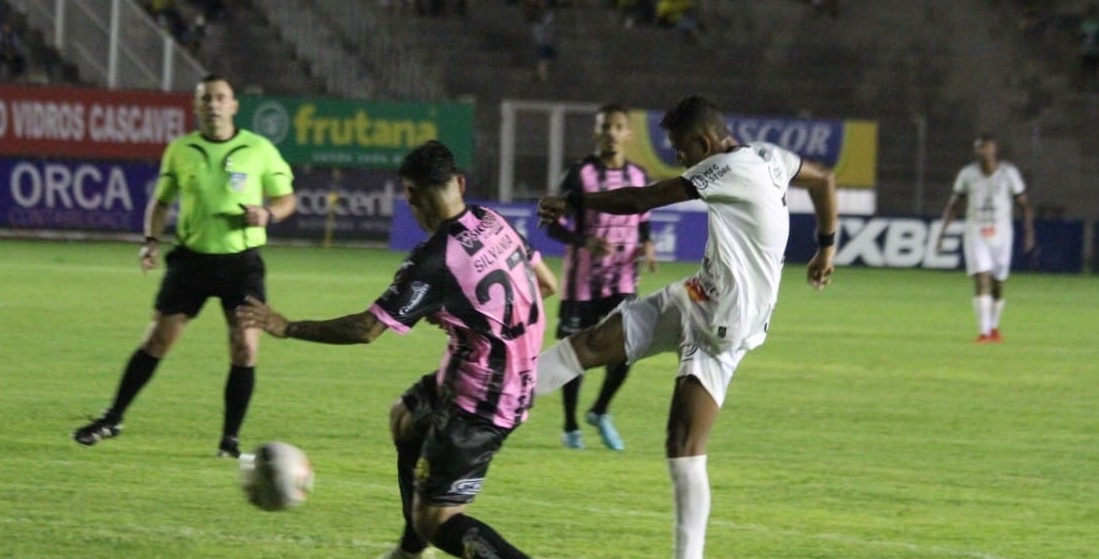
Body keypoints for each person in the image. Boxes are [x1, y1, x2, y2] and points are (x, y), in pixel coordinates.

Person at [533, 95, 838, 559]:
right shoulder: (768, 156)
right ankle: (494, 397)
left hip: (723, 325)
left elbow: (643, 199)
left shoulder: (725, 169)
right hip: (696, 295)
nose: (677, 157)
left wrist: (573, 200)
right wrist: (826, 247)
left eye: (680, 147)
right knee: (590, 344)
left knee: (683, 443)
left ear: (704, 141)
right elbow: (824, 180)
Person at [237, 141, 558, 559]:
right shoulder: (492, 219)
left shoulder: (433, 258)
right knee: (405, 418)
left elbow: (366, 329)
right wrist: (467, 313)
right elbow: (546, 285)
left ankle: (426, 537)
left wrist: (288, 326)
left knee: (438, 521)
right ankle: (410, 551)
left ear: (410, 195)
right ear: (459, 183)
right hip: (497, 376)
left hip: (481, 400)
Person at [72, 75, 297, 457]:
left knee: (244, 347)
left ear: (234, 105)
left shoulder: (258, 149)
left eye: (220, 98)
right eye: (206, 98)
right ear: (196, 106)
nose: (213, 105)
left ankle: (230, 440)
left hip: (241, 264)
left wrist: (267, 213)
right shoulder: (180, 150)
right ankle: (113, 418)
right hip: (191, 261)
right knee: (157, 340)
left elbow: (287, 198)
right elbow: (161, 203)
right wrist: (150, 242)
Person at [546, 103, 656, 451]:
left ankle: (600, 411)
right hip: (581, 286)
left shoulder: (639, 176)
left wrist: (648, 244)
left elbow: (643, 219)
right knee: (573, 355)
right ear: (596, 132)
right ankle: (570, 426)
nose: (611, 132)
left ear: (628, 134)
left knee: (627, 349)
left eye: (618, 126)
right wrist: (584, 241)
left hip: (622, 282)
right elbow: (550, 222)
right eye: (605, 126)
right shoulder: (579, 175)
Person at [934, 134, 1034, 344]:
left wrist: (1029, 232)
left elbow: (1024, 204)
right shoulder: (967, 174)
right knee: (981, 278)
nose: (983, 152)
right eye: (979, 148)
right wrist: (942, 233)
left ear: (994, 149)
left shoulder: (1009, 173)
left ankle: (994, 327)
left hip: (1002, 234)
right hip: (976, 232)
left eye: (986, 147)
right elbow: (954, 204)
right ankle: (984, 332)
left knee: (998, 283)